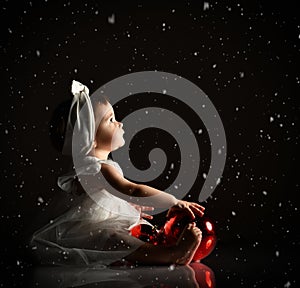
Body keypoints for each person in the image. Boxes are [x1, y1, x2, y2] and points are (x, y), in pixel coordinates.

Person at [31, 80, 205, 266]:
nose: (120, 123)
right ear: (90, 140)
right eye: (111, 120)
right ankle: (169, 253)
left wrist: (125, 206)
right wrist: (174, 201)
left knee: (132, 231)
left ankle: (163, 243)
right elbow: (132, 190)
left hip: (106, 220)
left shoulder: (93, 167)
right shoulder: (98, 168)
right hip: (91, 228)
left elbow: (101, 197)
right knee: (113, 238)